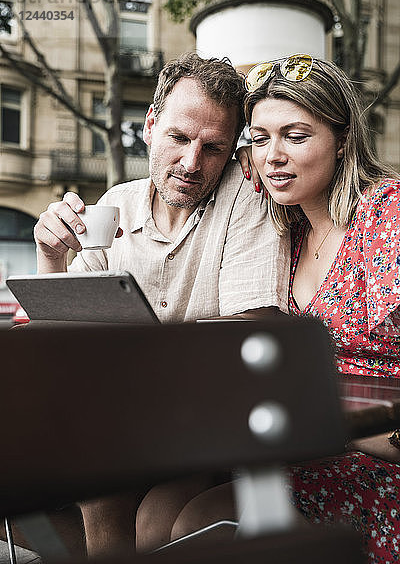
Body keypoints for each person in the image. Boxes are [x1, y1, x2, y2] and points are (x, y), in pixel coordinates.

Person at [137, 54, 400, 563]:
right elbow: (217, 169)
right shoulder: (288, 223)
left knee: (197, 522)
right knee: (155, 510)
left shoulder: (387, 214)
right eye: (259, 139)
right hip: (291, 448)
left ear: (343, 138)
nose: (273, 157)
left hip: (375, 453)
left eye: (296, 137)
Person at [32, 52, 290, 556]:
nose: (193, 163)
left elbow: (250, 339)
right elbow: (56, 336)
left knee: (105, 484)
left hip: (210, 426)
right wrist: (50, 258)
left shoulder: (247, 199)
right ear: (149, 126)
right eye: (179, 138)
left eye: (213, 148)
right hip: (122, 422)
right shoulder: (118, 204)